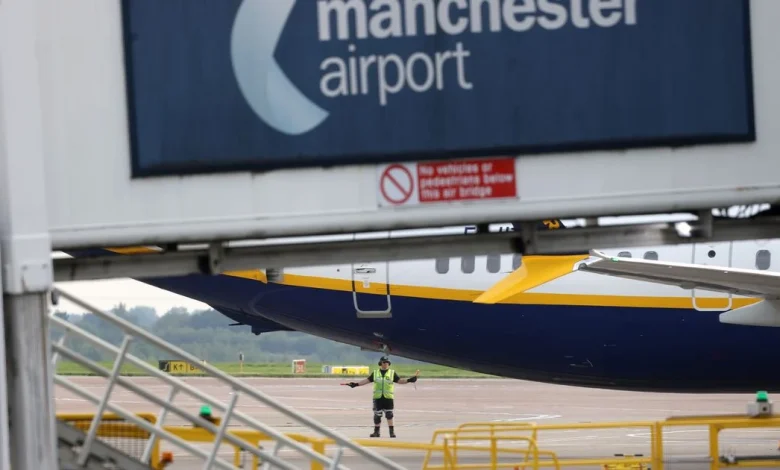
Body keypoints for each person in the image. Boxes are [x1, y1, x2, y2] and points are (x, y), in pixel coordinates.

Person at [345, 356, 419, 438]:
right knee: (377, 416)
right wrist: (356, 384)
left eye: (387, 362)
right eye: (384, 362)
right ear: (380, 363)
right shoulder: (375, 373)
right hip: (378, 398)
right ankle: (376, 432)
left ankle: (391, 432)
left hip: (388, 398)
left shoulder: (392, 373)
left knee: (389, 415)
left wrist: (409, 380)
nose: (386, 364)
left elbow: (399, 381)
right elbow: (366, 380)